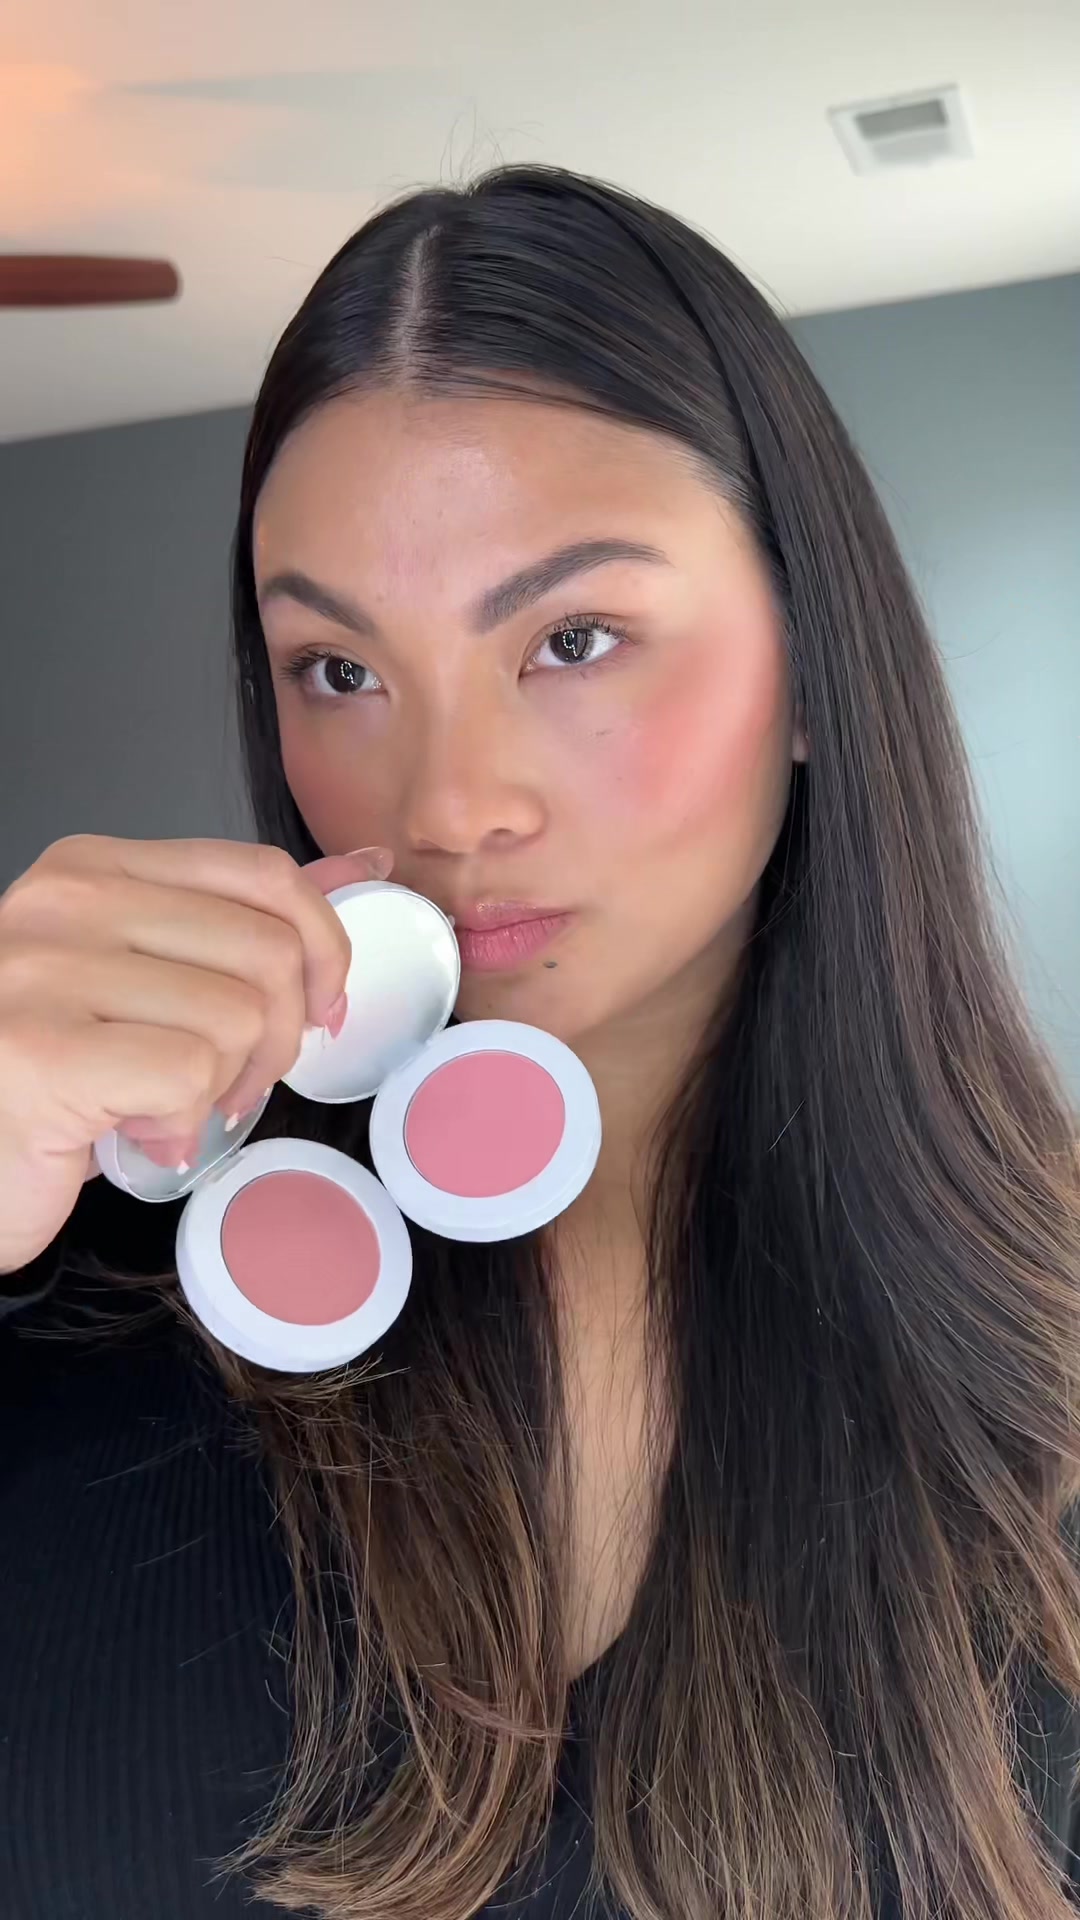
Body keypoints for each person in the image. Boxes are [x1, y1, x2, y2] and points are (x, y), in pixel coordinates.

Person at [1, 164, 1078, 1920]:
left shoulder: (1044, 1360)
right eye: (339, 671)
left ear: (813, 668)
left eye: (574, 639)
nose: (445, 805)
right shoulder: (87, 1265)